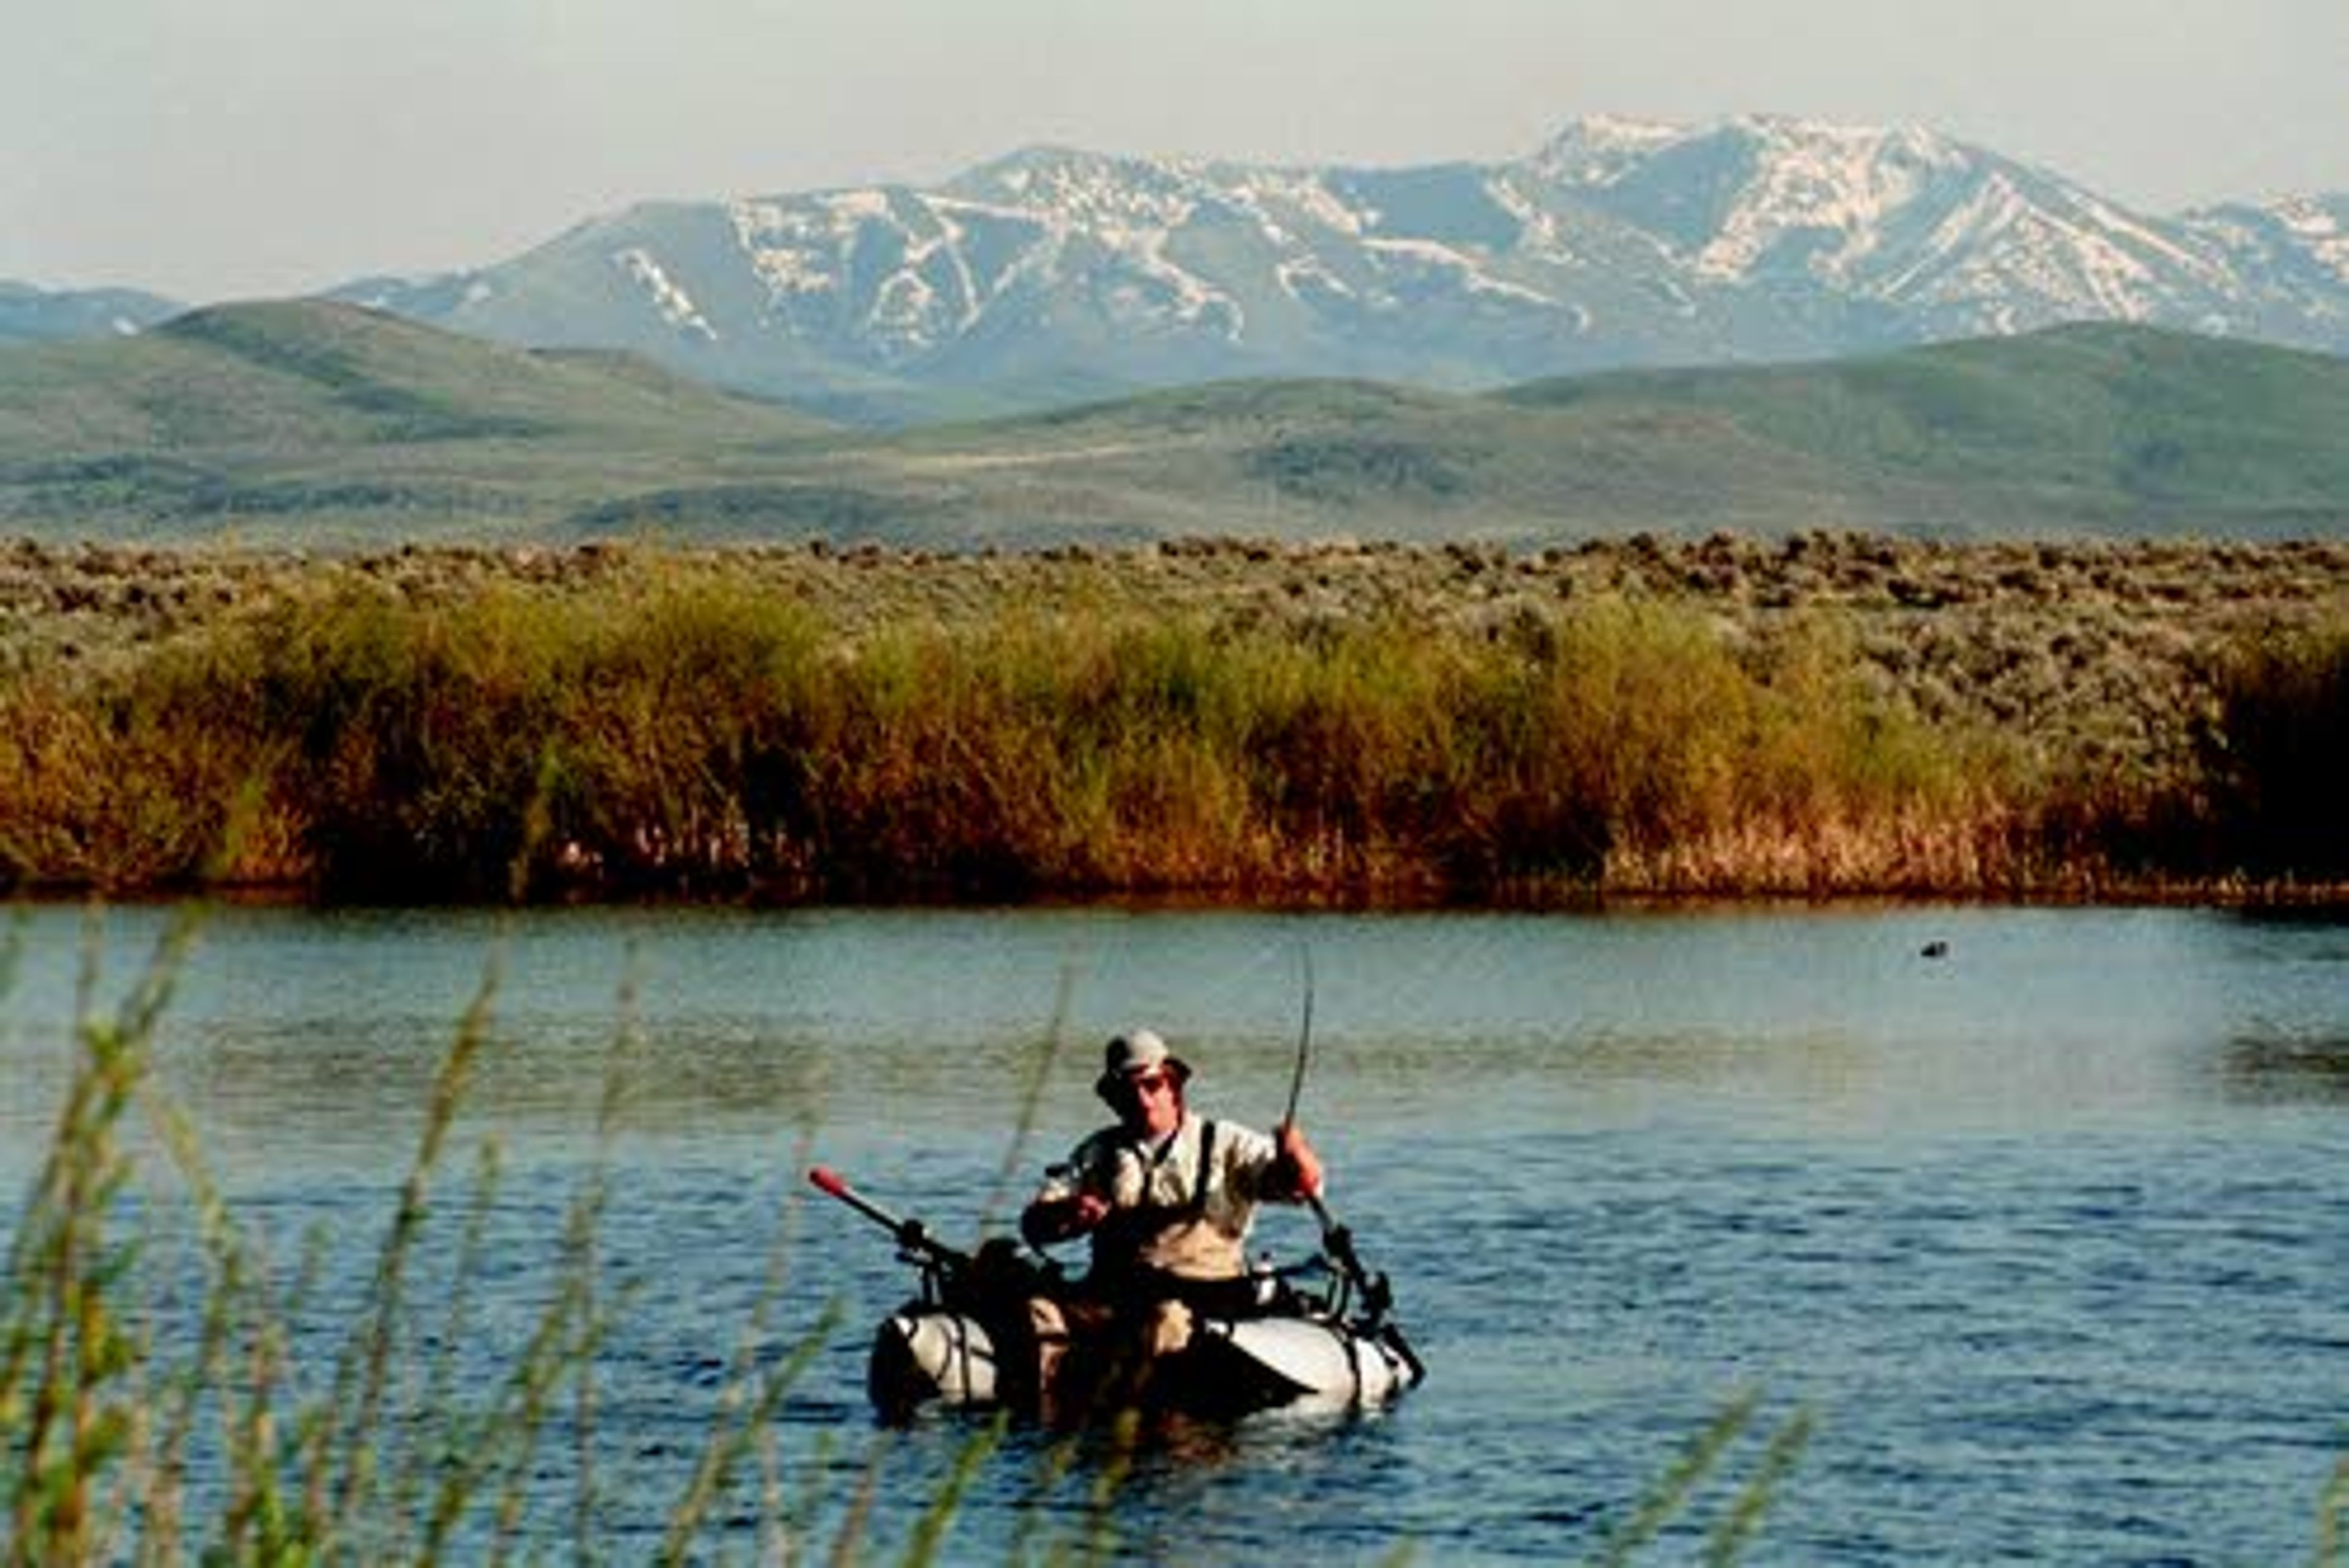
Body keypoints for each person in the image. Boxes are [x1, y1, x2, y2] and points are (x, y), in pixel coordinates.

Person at [1018, 1029, 1324, 1389]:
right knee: (1039, 1308)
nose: (1142, 1100)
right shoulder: (1096, 1153)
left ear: (1173, 1085)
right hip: (1113, 1294)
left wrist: (1296, 1153)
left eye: (1152, 1086)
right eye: (1127, 1092)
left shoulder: (1224, 1143)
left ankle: (1156, 1418)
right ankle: (1053, 1409)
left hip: (1205, 1297)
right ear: (1114, 1100)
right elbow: (1034, 1224)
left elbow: (1303, 1187)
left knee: (1166, 1320)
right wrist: (1069, 1214)